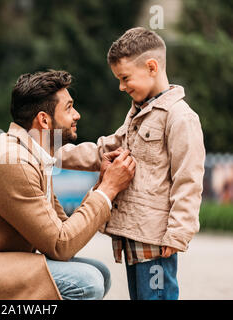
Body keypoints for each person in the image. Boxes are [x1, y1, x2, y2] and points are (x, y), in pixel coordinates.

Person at [0, 70, 136, 300]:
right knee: (86, 282)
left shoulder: (33, 156)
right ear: (43, 120)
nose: (77, 115)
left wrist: (102, 184)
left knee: (101, 273)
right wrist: (107, 190)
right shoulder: (13, 161)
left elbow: (63, 231)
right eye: (69, 108)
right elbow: (61, 245)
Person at [56, 27, 205, 300]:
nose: (122, 87)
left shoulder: (180, 117)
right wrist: (53, 152)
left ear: (151, 67)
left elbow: (189, 179)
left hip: (156, 239)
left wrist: (178, 233)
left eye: (125, 78)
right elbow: (104, 149)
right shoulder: (138, 113)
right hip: (134, 234)